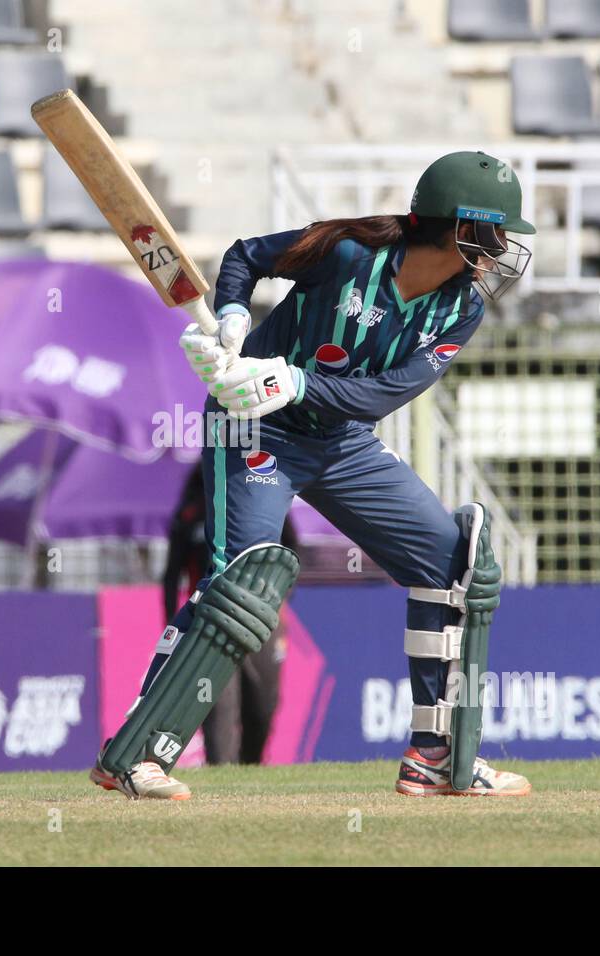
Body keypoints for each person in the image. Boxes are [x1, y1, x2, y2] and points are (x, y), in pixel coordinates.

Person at [90, 150, 534, 800]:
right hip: (253, 427)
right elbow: (245, 256)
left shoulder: (458, 310)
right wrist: (235, 320)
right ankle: (135, 753)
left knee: (452, 564)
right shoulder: (351, 253)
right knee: (243, 582)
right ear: (459, 227)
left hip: (339, 437)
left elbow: (383, 395)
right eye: (497, 234)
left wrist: (293, 380)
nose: (502, 252)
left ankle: (436, 757)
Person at [163, 468, 297, 765]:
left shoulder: (262, 500)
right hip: (209, 622)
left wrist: (283, 599)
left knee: (263, 704)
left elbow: (291, 551)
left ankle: (252, 766)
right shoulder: (191, 514)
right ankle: (221, 772)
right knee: (217, 705)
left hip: (262, 618)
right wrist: (172, 629)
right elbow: (171, 576)